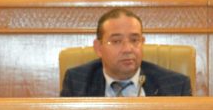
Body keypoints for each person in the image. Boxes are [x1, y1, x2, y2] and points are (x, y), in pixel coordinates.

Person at [60, 8, 191, 97]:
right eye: (116, 41)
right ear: (99, 48)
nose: (128, 49)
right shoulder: (77, 82)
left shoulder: (175, 86)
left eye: (134, 40)